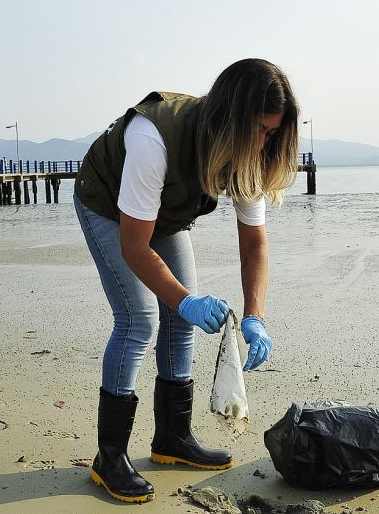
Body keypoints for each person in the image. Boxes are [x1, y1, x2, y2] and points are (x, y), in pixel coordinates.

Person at [73, 58, 299, 503]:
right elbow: (135, 247)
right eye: (259, 130)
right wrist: (185, 300)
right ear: (229, 119)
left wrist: (255, 316)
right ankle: (110, 457)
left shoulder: (247, 154)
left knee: (180, 320)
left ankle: (172, 441)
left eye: (273, 134)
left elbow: (254, 245)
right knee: (139, 321)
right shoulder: (152, 138)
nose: (263, 144)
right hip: (106, 203)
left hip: (165, 214)